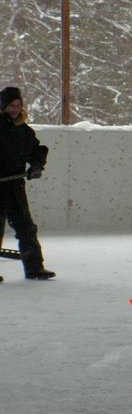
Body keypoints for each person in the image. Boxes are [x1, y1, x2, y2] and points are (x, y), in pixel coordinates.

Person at [0, 86, 56, 281]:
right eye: (11, 106)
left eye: (18, 105)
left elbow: (37, 151)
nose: (15, 109)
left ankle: (34, 268)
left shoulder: (24, 131)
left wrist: (36, 166)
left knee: (26, 227)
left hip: (15, 187)